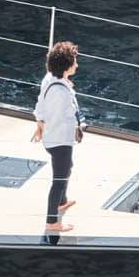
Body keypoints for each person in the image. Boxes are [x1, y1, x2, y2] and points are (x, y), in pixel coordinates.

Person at [32, 41, 82, 235]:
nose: (77, 65)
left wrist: (39, 125)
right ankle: (52, 222)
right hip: (60, 140)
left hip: (56, 139)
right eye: (74, 61)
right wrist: (78, 127)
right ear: (66, 66)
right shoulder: (60, 93)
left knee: (67, 168)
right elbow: (66, 116)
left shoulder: (50, 80)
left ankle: (61, 203)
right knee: (59, 179)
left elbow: (40, 106)